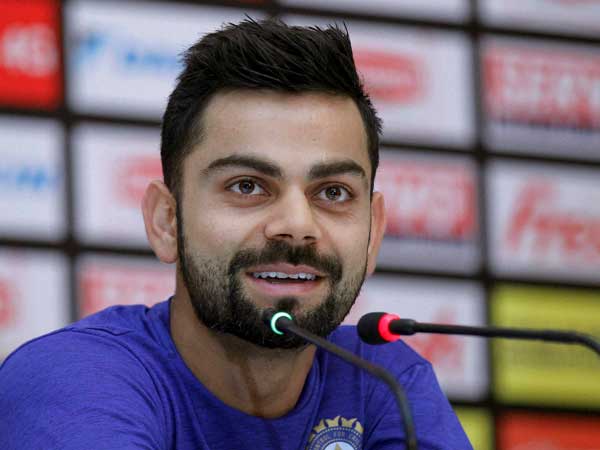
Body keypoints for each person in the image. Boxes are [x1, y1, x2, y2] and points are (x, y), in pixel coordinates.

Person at [0, 19, 472, 450]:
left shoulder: (383, 379)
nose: (298, 225)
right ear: (167, 220)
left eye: (333, 192)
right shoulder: (77, 376)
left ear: (373, 234)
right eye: (247, 186)